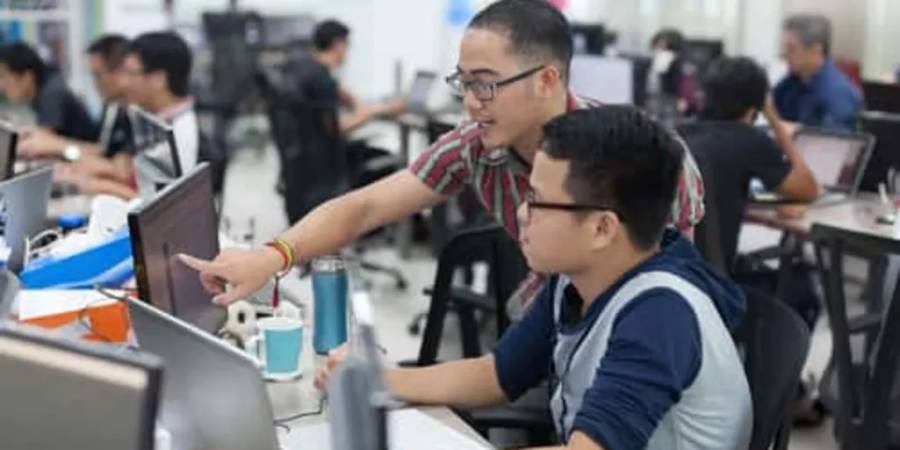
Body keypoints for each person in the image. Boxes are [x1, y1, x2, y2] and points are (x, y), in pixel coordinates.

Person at [180, 0, 705, 322]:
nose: (471, 101)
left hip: (633, 339)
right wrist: (272, 257)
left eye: (486, 85)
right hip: (547, 323)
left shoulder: (642, 156)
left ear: (548, 80)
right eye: (464, 82)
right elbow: (366, 207)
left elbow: (675, 294)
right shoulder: (476, 145)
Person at [317, 106, 753, 450]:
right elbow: (498, 375)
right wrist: (380, 378)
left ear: (602, 228)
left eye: (539, 201)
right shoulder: (578, 277)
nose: (522, 214)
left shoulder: (660, 314)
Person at [678, 56, 818, 268]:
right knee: (802, 282)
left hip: (671, 275)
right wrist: (774, 120)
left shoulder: (677, 134)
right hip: (714, 282)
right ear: (756, 107)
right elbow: (808, 189)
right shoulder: (750, 140)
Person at [294, 19, 405, 132]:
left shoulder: (307, 70)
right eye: (347, 45)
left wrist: (362, 105)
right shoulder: (320, 80)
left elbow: (338, 90)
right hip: (323, 147)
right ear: (338, 45)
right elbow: (335, 128)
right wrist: (369, 114)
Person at [121, 31, 199, 173]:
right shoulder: (155, 121)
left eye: (131, 74)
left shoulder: (182, 134)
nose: (124, 83)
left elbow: (160, 191)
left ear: (159, 79)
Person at [773, 14, 862, 130]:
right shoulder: (787, 85)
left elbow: (834, 141)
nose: (784, 55)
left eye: (791, 49)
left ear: (816, 50)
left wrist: (790, 131)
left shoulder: (838, 93)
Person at [0, 42, 97, 142]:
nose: (2, 85)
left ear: (27, 76)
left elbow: (41, 141)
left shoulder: (51, 93)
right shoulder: (43, 90)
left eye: (3, 76)